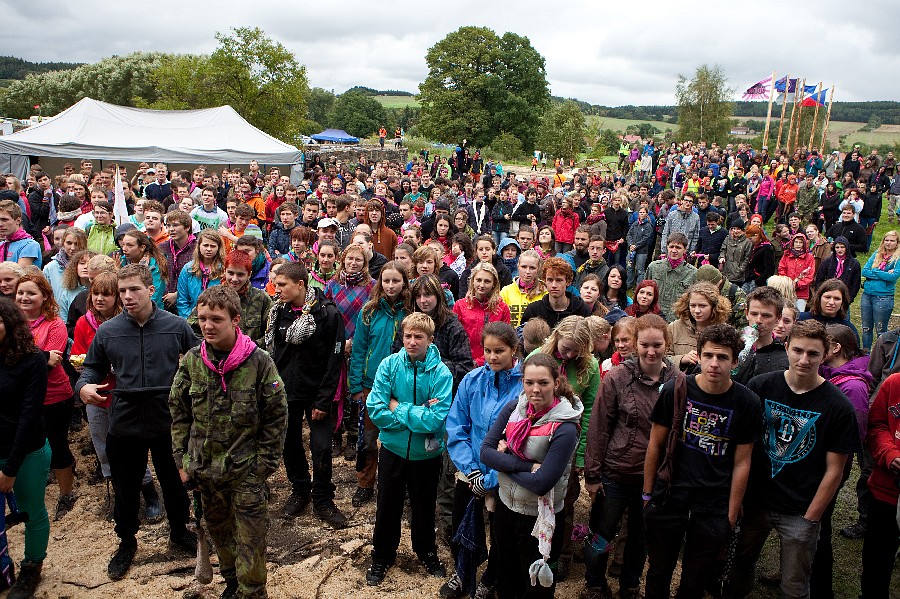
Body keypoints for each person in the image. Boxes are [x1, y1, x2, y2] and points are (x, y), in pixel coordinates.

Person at [75, 264, 197, 580]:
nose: (127, 297)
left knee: (174, 482)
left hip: (168, 419)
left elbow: (201, 360)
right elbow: (91, 368)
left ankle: (180, 530)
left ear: (150, 289)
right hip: (125, 419)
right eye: (123, 291)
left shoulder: (176, 326)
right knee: (126, 486)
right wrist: (84, 386)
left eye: (134, 290)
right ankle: (126, 541)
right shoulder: (109, 331)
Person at [728, 320, 861, 599]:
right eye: (798, 350)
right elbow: (744, 447)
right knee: (739, 568)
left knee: (795, 585)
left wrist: (812, 516)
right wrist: (738, 498)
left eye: (813, 353)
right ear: (786, 348)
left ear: (825, 355)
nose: (804, 359)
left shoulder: (840, 407)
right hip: (756, 502)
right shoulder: (760, 386)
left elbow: (835, 470)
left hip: (800, 510)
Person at [170, 285, 288, 599]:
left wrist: (263, 464)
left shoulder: (259, 362)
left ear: (235, 319)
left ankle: (251, 591)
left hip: (245, 470)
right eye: (203, 318)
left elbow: (277, 413)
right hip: (205, 469)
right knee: (220, 532)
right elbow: (178, 410)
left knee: (250, 539)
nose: (208, 325)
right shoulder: (193, 361)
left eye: (216, 319)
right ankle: (232, 581)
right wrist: (182, 460)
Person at [642, 324, 760, 599]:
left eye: (722, 357)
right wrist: (647, 494)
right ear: (698, 355)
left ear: (735, 360)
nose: (714, 364)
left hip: (713, 501)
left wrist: (730, 516)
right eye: (708, 356)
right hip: (670, 493)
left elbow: (743, 462)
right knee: (659, 571)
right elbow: (655, 444)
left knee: (695, 579)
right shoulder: (675, 389)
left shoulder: (747, 402)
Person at [581, 314, 677, 598]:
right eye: (644, 344)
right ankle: (595, 582)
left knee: (640, 535)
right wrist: (593, 474)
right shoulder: (617, 378)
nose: (650, 351)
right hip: (616, 472)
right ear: (635, 344)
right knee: (602, 532)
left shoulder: (678, 381)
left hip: (654, 477)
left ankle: (630, 584)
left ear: (666, 344)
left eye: (657, 345)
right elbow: (599, 425)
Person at [480, 353, 584, 599]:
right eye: (529, 382)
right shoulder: (515, 408)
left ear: (556, 383)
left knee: (535, 589)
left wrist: (503, 461)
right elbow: (485, 452)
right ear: (522, 382)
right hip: (507, 509)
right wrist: (526, 466)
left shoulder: (565, 427)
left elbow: (542, 484)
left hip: (540, 520)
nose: (535, 390)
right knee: (506, 579)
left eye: (543, 383)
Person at [365, 313, 453, 586]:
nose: (412, 342)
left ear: (430, 340)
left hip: (426, 454)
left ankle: (426, 552)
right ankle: (381, 556)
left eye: (418, 337)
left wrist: (397, 407)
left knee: (424, 506)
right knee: (387, 506)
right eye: (408, 336)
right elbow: (375, 408)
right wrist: (416, 415)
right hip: (392, 449)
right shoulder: (389, 365)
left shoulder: (441, 373)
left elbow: (436, 419)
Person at [442, 322, 522, 599]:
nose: (492, 357)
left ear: (514, 350)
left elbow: (518, 441)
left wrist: (489, 478)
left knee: (501, 534)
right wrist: (471, 470)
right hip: (471, 468)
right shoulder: (472, 380)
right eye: (487, 350)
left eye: (499, 351)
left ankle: (491, 578)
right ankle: (463, 572)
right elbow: (456, 425)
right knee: (461, 523)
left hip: (504, 473)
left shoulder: (524, 388)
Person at [267, 261, 348, 528]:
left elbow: (334, 360)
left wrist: (324, 399)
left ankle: (323, 497)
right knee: (289, 444)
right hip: (287, 391)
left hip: (317, 393)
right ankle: (299, 488)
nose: (277, 290)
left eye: (282, 285)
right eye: (276, 285)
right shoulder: (277, 312)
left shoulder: (327, 314)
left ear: (300, 285)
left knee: (322, 447)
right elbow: (274, 353)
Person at [0, 298, 52, 598]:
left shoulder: (32, 361)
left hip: (26, 451)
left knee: (31, 511)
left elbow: (29, 417)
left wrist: (10, 468)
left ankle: (32, 566)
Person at [14, 274, 76, 520]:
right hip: (21, 398)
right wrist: (39, 356)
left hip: (55, 396)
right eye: (21, 293)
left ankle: (66, 494)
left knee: (58, 445)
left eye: (31, 293)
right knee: (27, 446)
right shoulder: (11, 323)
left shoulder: (55, 324)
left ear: (45, 297)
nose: (25, 298)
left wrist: (22, 358)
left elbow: (51, 363)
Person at [348, 261, 410, 508]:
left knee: (398, 437)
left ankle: (397, 484)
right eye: (386, 280)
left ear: (404, 282)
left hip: (402, 386)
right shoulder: (369, 311)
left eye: (396, 280)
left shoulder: (410, 311)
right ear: (379, 283)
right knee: (368, 437)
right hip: (371, 384)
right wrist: (355, 386)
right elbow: (359, 350)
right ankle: (365, 483)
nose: (391, 285)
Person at [860, 371, 900, 598]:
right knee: (877, 560)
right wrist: (889, 453)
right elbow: (876, 425)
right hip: (886, 493)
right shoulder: (894, 383)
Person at [453, 262, 511, 365]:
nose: (482, 285)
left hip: (493, 363)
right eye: (478, 280)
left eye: (487, 281)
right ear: (472, 281)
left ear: (494, 284)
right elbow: (455, 339)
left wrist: (480, 361)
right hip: (464, 363)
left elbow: (505, 341)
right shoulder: (460, 306)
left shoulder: (502, 308)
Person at [522, 257, 591, 329]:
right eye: (550, 280)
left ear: (568, 281)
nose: (554, 285)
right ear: (544, 280)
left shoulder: (582, 310)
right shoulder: (533, 311)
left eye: (559, 280)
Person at [860, 231, 900, 350]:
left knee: (881, 329)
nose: (888, 243)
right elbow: (865, 271)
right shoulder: (877, 254)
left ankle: (882, 355)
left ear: (897, 243)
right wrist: (883, 273)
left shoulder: (897, 259)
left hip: (884, 298)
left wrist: (876, 271)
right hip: (867, 294)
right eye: (886, 240)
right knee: (866, 327)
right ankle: (866, 353)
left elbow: (893, 277)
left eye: (892, 241)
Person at [645, 233, 698, 322]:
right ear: (667, 247)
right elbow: (643, 292)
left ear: (685, 249)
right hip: (653, 318)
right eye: (671, 246)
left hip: (677, 321)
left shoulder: (692, 273)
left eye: (678, 247)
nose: (674, 250)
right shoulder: (654, 267)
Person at [175, 229, 224, 318]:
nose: (209, 249)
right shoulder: (188, 269)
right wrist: (190, 320)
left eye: (213, 246)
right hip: (190, 318)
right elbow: (182, 300)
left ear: (218, 248)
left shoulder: (223, 270)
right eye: (205, 245)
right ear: (199, 246)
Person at [797, 278, 860, 343]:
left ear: (843, 302)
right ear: (819, 298)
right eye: (827, 297)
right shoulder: (801, 319)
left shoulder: (848, 329)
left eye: (837, 299)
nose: (831, 302)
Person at [118, 230, 167, 308]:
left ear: (142, 247)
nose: (124, 249)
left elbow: (155, 296)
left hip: (151, 311)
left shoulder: (155, 266)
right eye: (123, 245)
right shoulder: (121, 262)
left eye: (129, 245)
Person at [500, 249, 546, 328]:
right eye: (524, 267)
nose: (527, 271)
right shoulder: (506, 292)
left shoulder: (545, 293)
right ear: (518, 266)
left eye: (532, 268)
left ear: (538, 268)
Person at [814, 236, 861, 302]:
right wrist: (821, 294)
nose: (839, 250)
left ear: (846, 248)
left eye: (842, 247)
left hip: (844, 297)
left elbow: (856, 284)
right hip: (828, 294)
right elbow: (819, 279)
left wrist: (849, 299)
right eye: (837, 247)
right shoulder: (827, 262)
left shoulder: (854, 263)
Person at [777, 233, 815, 311]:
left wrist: (797, 284)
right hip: (787, 292)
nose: (798, 244)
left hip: (801, 293)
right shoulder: (786, 255)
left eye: (800, 242)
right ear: (792, 243)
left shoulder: (809, 257)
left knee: (799, 315)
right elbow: (781, 269)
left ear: (804, 244)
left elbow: (809, 276)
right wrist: (787, 283)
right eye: (796, 242)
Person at [0, 200, 42, 267]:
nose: (0, 224)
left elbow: (19, 274)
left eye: (4, 220)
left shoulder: (29, 245)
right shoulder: (2, 244)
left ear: (18, 220)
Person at [742, 224, 775, 294]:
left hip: (758, 282)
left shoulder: (767, 248)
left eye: (750, 238)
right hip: (749, 279)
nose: (749, 241)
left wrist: (758, 281)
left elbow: (770, 269)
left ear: (756, 236)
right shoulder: (755, 246)